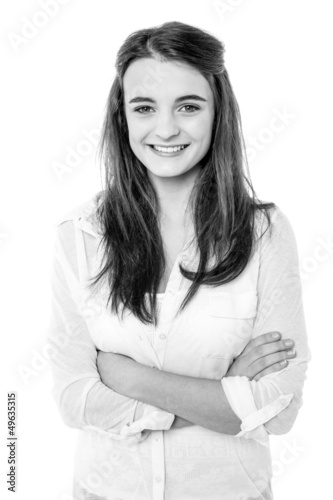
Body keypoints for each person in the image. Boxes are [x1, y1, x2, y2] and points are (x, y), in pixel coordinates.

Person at [47, 21, 311, 500]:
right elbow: (74, 400)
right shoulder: (79, 236)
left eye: (188, 106)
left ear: (218, 113)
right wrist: (228, 389)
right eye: (144, 108)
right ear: (122, 116)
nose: (166, 129)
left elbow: (281, 407)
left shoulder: (265, 235)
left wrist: (129, 378)